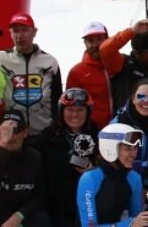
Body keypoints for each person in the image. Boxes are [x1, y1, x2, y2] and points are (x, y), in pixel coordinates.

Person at [76, 123, 148, 227]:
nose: (134, 154)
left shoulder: (134, 178)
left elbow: (137, 218)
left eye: (135, 148)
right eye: (128, 149)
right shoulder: (89, 179)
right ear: (110, 149)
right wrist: (128, 224)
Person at [32, 88, 100, 227]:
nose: (75, 115)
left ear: (88, 112)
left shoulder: (98, 137)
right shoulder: (47, 137)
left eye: (80, 110)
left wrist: (93, 172)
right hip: (55, 207)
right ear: (61, 111)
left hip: (88, 204)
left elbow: (110, 172)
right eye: (70, 109)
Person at [0, 110, 51, 227]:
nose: (11, 136)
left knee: (41, 219)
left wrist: (19, 216)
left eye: (16, 130)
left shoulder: (33, 157)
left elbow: (40, 195)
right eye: (6, 130)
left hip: (18, 220)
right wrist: (3, 144)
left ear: (25, 132)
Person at [0, 12, 63, 135]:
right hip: (11, 134)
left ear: (34, 32)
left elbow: (57, 98)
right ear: (10, 33)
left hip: (43, 133)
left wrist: (55, 127)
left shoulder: (50, 62)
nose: (20, 36)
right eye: (15, 31)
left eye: (24, 30)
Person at [99, 20, 148, 113]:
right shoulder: (123, 64)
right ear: (136, 53)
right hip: (126, 121)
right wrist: (131, 31)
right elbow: (105, 50)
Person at [67, 21, 116, 129]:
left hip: (121, 127)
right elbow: (70, 107)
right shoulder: (77, 72)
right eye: (90, 41)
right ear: (85, 43)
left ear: (107, 39)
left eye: (99, 39)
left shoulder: (120, 63)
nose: (95, 45)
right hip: (92, 130)